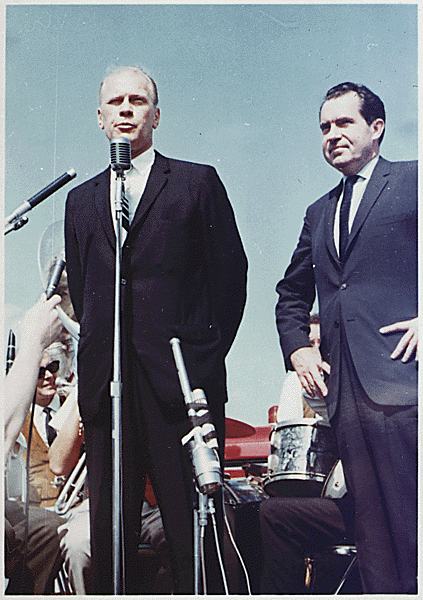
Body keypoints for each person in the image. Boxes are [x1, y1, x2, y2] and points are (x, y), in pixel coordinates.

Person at [64, 65, 247, 593]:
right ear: (100, 119)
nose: (126, 109)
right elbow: (85, 288)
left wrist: (201, 361)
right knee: (110, 539)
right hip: (108, 392)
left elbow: (229, 278)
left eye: (138, 101)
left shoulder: (195, 182)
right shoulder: (81, 201)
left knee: (193, 532)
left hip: (178, 388)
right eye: (115, 102)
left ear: (156, 115)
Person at [275, 82, 417, 593]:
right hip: (347, 403)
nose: (333, 135)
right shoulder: (318, 212)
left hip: (405, 388)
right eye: (325, 128)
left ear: (376, 129)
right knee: (373, 536)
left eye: (344, 123)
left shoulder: (413, 181)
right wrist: (298, 348)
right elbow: (290, 294)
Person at [4, 295, 66, 595]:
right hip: (37, 512)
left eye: (53, 366)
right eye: (40, 371)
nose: (49, 375)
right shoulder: (17, 418)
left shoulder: (69, 411)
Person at [277, 313, 328, 422]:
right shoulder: (294, 381)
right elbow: (289, 425)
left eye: (321, 342)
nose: (317, 348)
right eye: (311, 343)